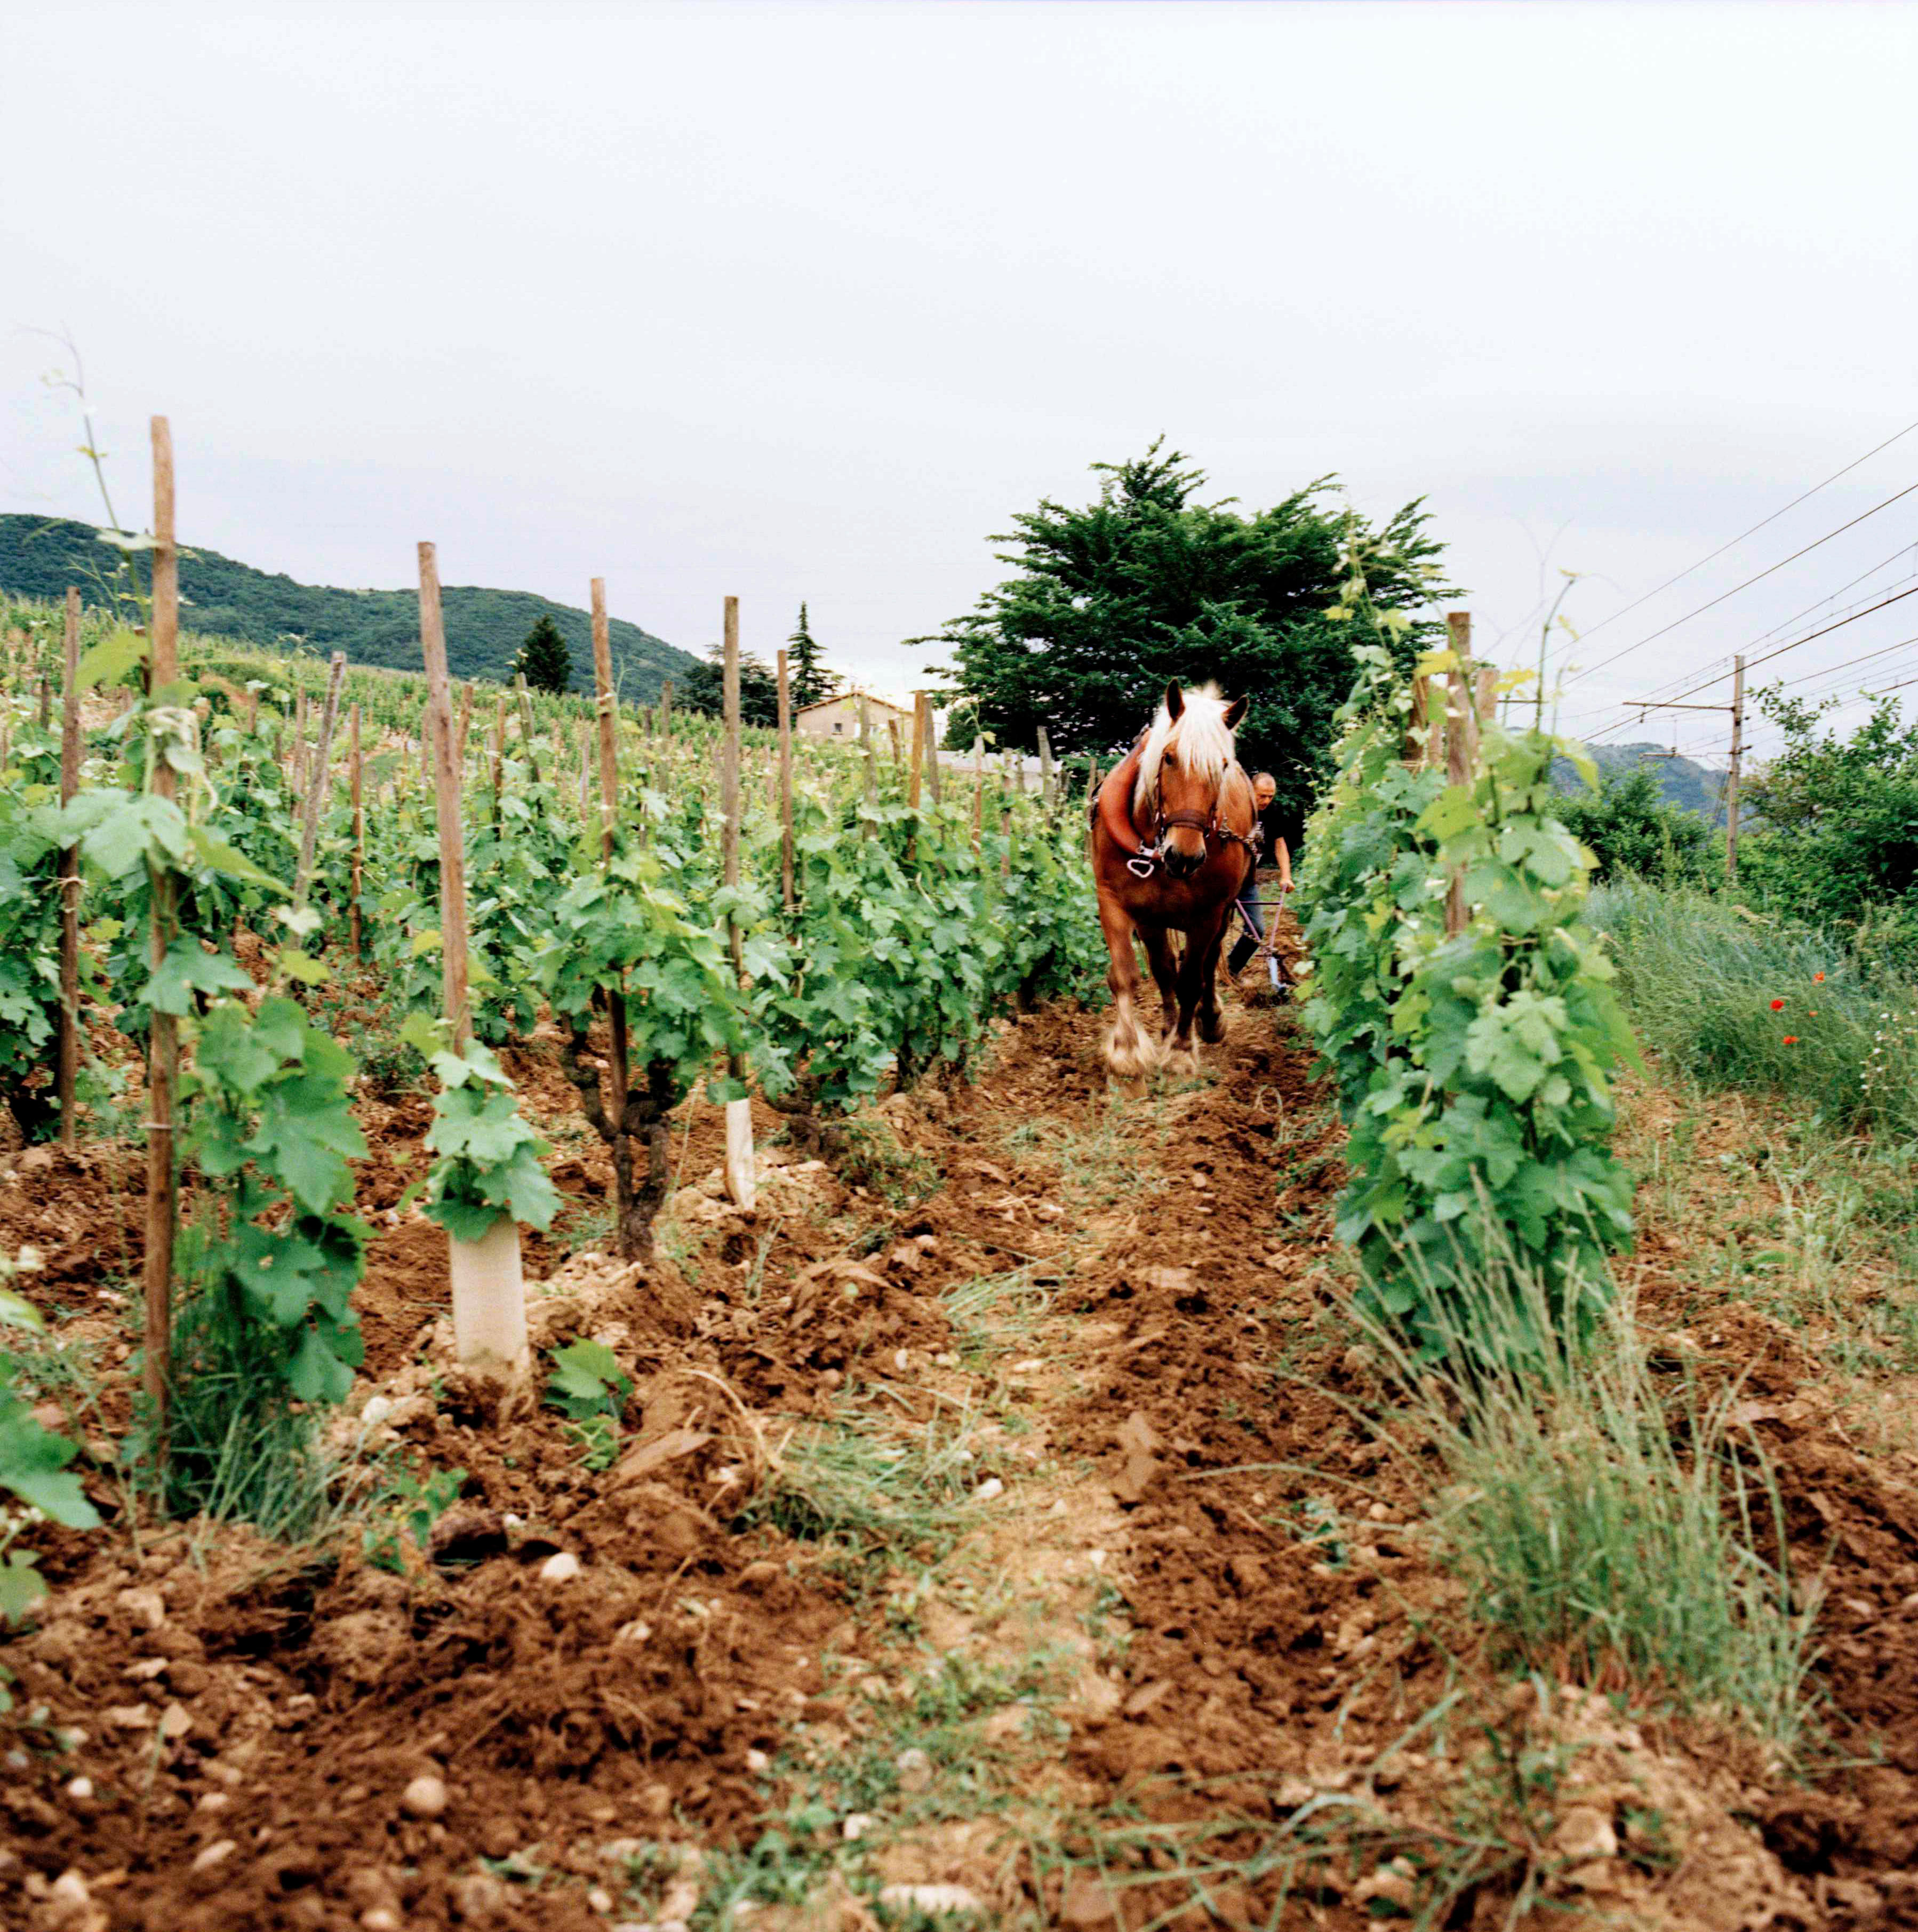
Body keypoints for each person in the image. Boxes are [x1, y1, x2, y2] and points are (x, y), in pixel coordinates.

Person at [1227, 770, 1293, 983]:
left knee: (1256, 929)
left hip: (1247, 880)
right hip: (1223, 879)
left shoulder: (1273, 813)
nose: (1266, 801)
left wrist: (1286, 876)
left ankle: (1230, 970)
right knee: (1210, 928)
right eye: (1262, 796)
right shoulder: (1234, 807)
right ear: (1250, 790)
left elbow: (1279, 844)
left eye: (1270, 796)